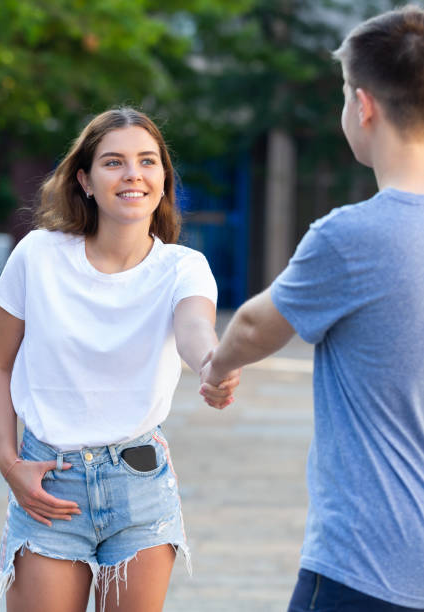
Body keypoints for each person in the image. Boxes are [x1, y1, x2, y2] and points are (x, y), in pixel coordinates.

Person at [200, 5, 424, 611]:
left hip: (370, 563)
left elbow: (253, 324)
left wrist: (217, 369)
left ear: (364, 106)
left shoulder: (353, 237)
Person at [0, 107, 240, 612]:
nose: (132, 175)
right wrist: (8, 461)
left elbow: (195, 331)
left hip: (138, 483)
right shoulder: (38, 255)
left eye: (147, 161)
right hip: (49, 480)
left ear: (163, 179)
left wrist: (214, 365)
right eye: (113, 162)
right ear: (84, 179)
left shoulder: (183, 268)